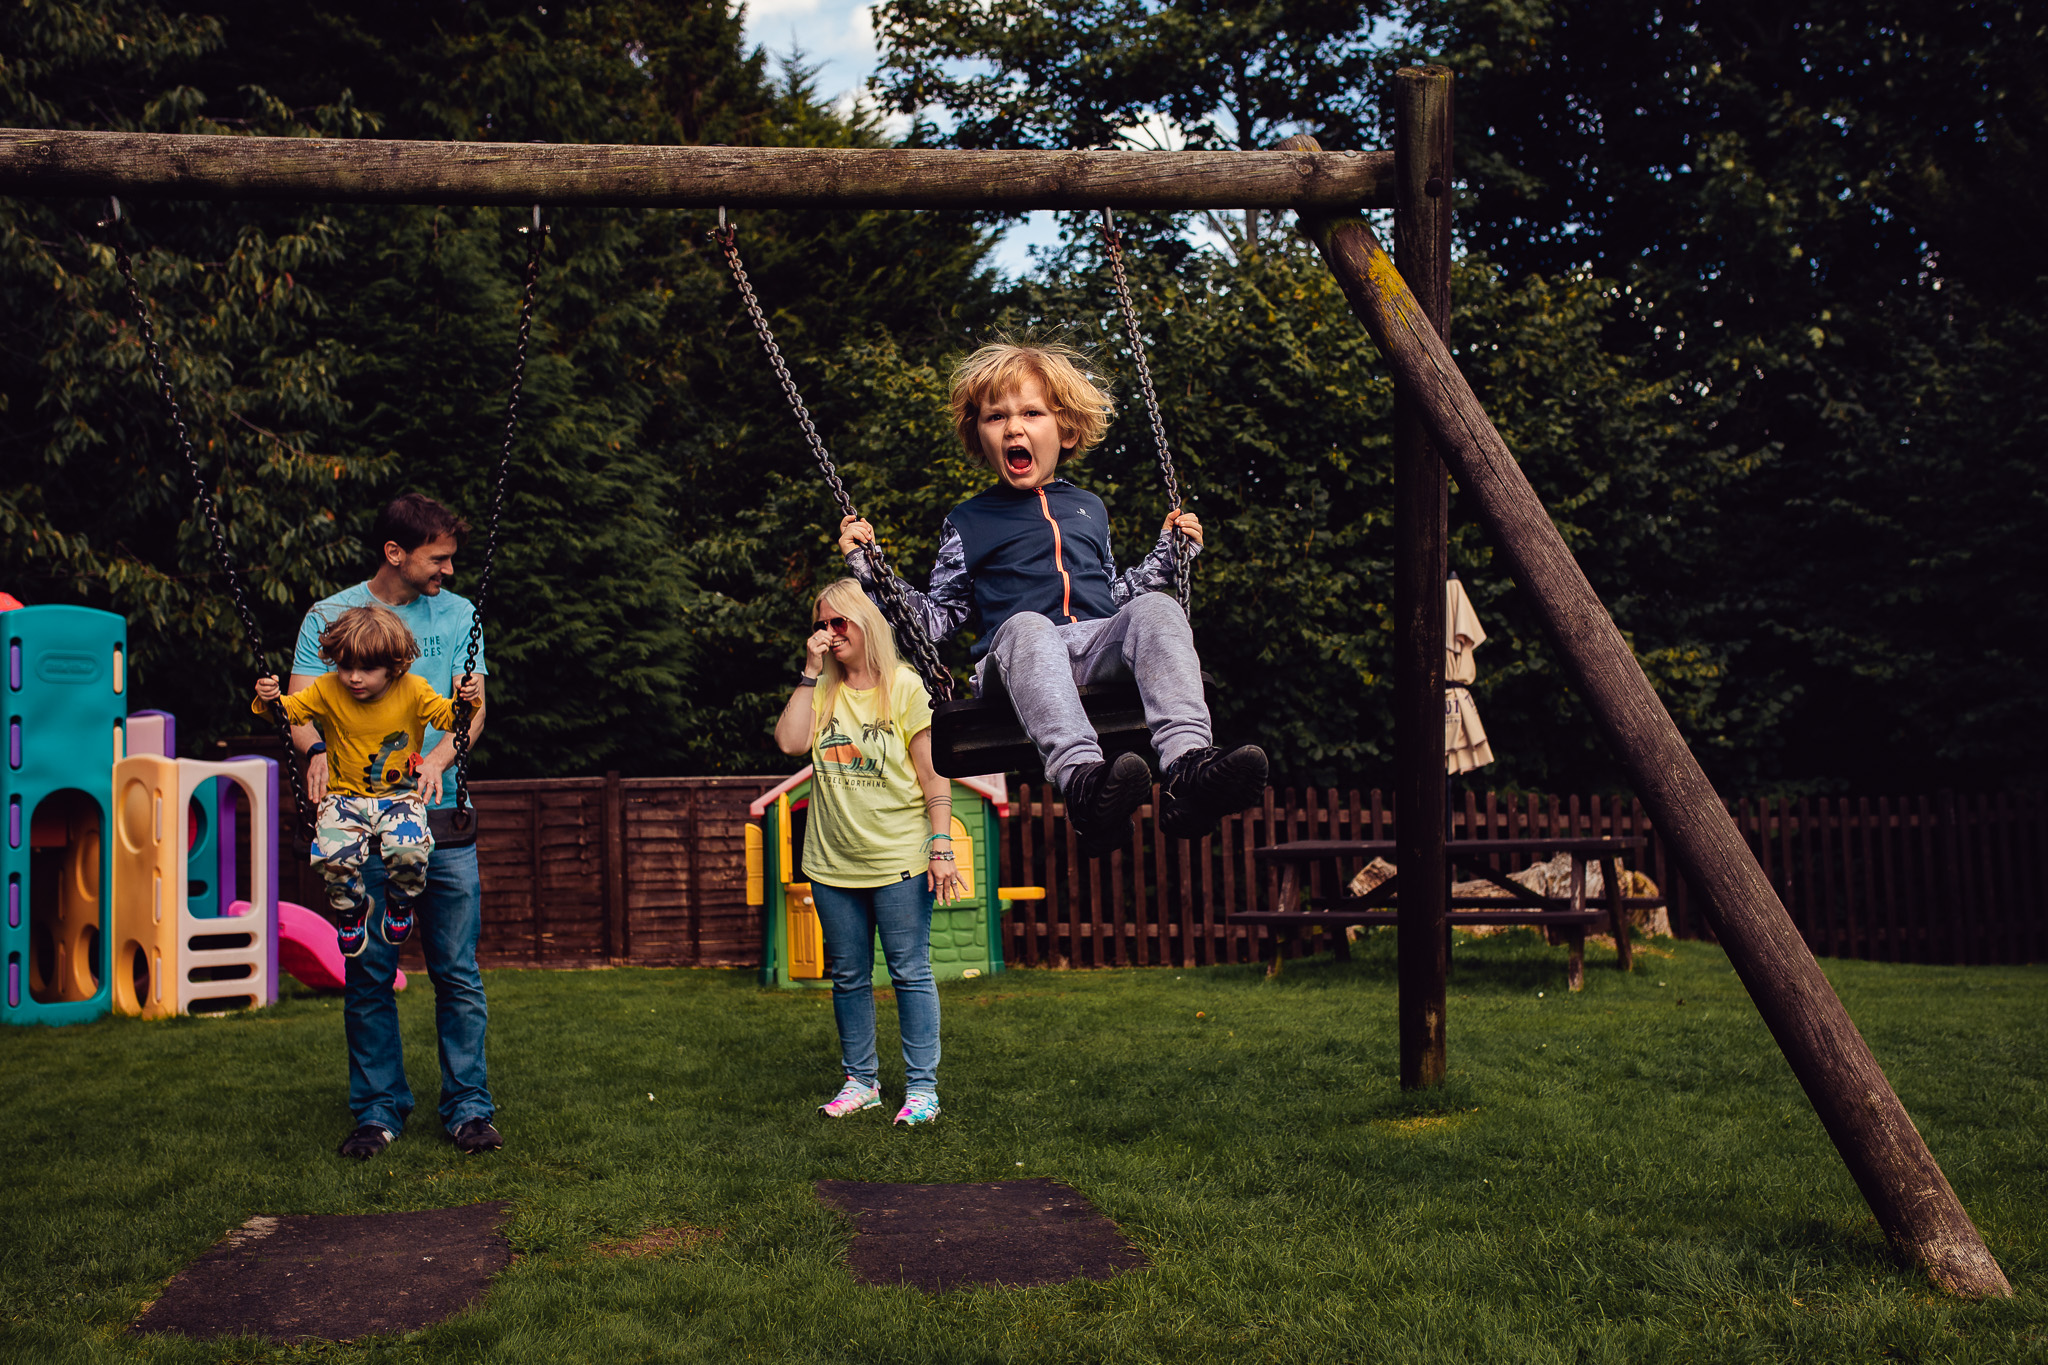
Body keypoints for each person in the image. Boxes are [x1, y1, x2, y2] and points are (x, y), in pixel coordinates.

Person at [838, 339, 1267, 857]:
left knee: (1157, 608)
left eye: (1031, 413)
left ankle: (1188, 766)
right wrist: (872, 571)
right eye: (996, 417)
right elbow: (934, 620)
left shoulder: (1089, 508)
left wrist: (1166, 559)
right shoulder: (969, 521)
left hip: (1096, 650)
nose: (1013, 427)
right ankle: (1083, 780)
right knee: (1028, 626)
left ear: (1064, 430)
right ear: (980, 434)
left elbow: (1111, 598)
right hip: (1016, 661)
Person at [288, 493, 500, 1160]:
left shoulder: (461, 614)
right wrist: (317, 750)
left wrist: (441, 757)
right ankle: (378, 1111)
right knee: (368, 971)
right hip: (363, 817)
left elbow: (473, 709)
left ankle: (468, 1107)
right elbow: (298, 710)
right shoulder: (329, 617)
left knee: (457, 973)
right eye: (439, 559)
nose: (448, 571)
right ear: (396, 553)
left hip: (443, 817)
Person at [773, 578, 960, 1126]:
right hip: (832, 862)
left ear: (864, 623)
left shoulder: (904, 686)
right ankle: (862, 1082)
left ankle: (922, 1090)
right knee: (849, 976)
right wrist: (809, 673)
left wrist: (941, 845)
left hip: (898, 859)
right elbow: (788, 743)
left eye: (840, 623)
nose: (830, 635)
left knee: (909, 972)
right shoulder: (822, 690)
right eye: (821, 624)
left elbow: (935, 778)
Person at [255, 605, 481, 958]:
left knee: (409, 851)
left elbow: (449, 717)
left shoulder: (413, 690)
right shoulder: (328, 689)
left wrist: (465, 703)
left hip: (400, 797)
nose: (354, 678)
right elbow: (289, 713)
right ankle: (352, 909)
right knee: (332, 857)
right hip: (344, 797)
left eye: (367, 669)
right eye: (345, 667)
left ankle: (400, 901)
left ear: (394, 666)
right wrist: (269, 700)